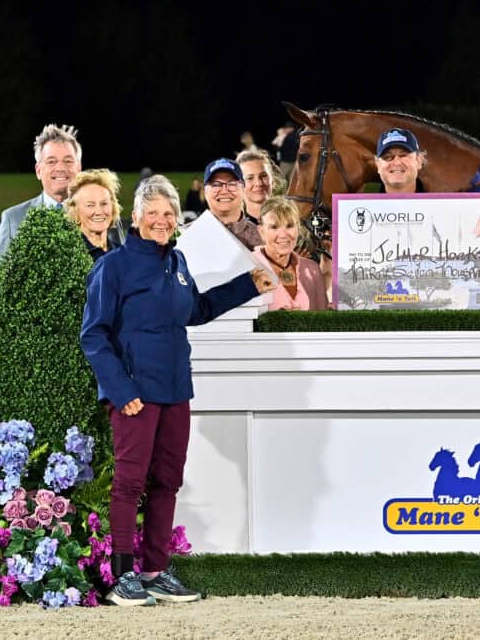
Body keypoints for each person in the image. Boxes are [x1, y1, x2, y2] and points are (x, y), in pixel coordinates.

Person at [81, 175, 275, 606]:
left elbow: (198, 310)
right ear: (136, 218)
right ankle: (123, 577)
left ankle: (154, 570)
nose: (161, 220)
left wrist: (247, 286)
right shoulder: (112, 266)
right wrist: (119, 388)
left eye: (168, 214)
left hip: (175, 390)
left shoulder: (178, 263)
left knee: (168, 480)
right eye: (152, 213)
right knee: (130, 483)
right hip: (134, 394)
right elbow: (93, 335)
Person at [0, 124, 82, 279]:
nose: (60, 167)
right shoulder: (13, 220)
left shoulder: (101, 215)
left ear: (79, 168)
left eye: (68, 161)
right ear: (38, 170)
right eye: (51, 161)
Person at [251, 197, 329, 311]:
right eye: (274, 227)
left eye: (289, 226)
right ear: (261, 231)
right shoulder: (248, 266)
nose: (283, 235)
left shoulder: (312, 269)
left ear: (298, 228)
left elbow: (322, 319)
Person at [201, 158, 262, 249]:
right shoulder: (186, 235)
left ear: (243, 189)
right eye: (216, 184)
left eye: (232, 184)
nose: (224, 191)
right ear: (205, 192)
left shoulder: (263, 238)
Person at [65, 169, 122, 261]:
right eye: (90, 205)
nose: (99, 212)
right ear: (75, 211)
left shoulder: (123, 254)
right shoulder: (66, 255)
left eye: (104, 204)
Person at [374, 128, 428, 194]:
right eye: (388, 157)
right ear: (378, 165)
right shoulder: (363, 204)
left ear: (419, 161)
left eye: (403, 155)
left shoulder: (439, 203)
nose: (397, 162)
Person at [235, 149, 281, 223]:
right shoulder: (232, 229)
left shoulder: (292, 221)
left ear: (272, 179)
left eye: (263, 176)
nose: (258, 183)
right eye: (250, 178)